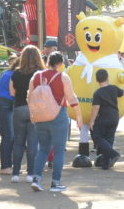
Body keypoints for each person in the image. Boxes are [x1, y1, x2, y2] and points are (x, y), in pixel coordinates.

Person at [30, 52, 83, 193]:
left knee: (43, 149)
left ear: (47, 62)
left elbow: (29, 97)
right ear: (60, 64)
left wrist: (33, 115)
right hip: (58, 116)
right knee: (59, 151)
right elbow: (71, 98)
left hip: (40, 117)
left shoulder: (36, 76)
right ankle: (55, 183)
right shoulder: (63, 77)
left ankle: (36, 179)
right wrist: (79, 115)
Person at [10, 46, 44, 183]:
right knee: (32, 143)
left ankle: (15, 174)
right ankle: (30, 174)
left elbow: (12, 93)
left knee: (18, 143)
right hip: (35, 109)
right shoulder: (40, 73)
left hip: (18, 108)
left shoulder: (16, 73)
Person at [89, 69, 124, 170]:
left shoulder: (97, 93)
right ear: (108, 78)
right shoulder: (113, 88)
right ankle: (105, 164)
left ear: (96, 80)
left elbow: (96, 108)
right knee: (109, 139)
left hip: (103, 118)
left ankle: (114, 154)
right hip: (114, 117)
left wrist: (92, 121)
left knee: (97, 137)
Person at [0, 54, 18, 176]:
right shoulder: (13, 75)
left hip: (2, 104)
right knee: (8, 137)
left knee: (8, 136)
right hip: (4, 104)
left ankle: (8, 165)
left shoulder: (7, 73)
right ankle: (5, 166)